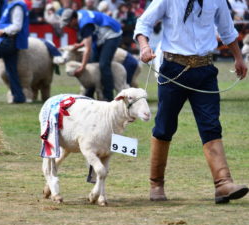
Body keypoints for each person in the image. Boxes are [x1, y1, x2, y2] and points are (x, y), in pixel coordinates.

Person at [134, 0, 249, 204]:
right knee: (164, 127)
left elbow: (227, 29)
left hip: (205, 70)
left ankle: (223, 184)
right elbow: (144, 23)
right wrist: (144, 46)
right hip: (172, 69)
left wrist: (239, 58)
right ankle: (156, 184)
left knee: (211, 125)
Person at [60, 8, 122, 101]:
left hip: (112, 35)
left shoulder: (85, 24)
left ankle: (108, 97)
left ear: (73, 19)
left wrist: (82, 67)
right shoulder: (79, 13)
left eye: (68, 23)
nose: (68, 26)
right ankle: (89, 95)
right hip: (101, 37)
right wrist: (80, 45)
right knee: (93, 63)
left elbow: (87, 49)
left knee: (103, 64)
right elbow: (88, 38)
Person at [0, 0, 29, 102]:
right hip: (11, 41)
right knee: (11, 70)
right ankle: (19, 97)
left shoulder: (17, 6)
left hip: (7, 40)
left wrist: (3, 31)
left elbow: (17, 26)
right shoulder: (11, 4)